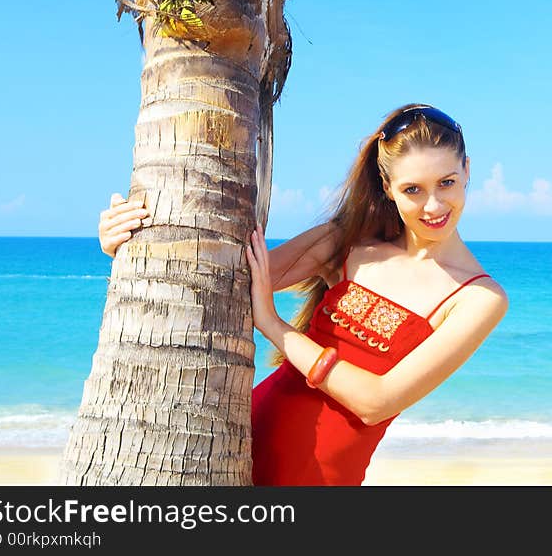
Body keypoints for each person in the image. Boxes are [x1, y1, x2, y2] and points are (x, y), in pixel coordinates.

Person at [98, 103, 508, 485]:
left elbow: (375, 402)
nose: (434, 204)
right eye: (413, 190)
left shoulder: (478, 298)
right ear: (387, 186)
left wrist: (274, 327)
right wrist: (129, 243)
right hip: (232, 446)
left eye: (447, 183)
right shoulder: (346, 242)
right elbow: (224, 277)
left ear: (467, 170)